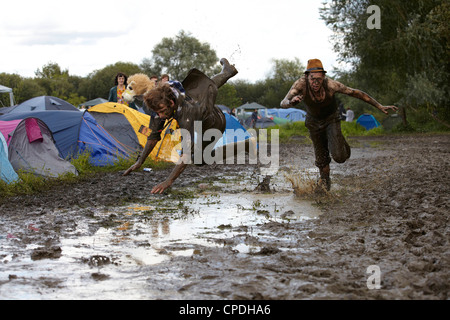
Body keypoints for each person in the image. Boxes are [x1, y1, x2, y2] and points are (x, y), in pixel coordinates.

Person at [123, 58, 238, 194]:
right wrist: (140, 161)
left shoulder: (186, 113)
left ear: (171, 103)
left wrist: (168, 181)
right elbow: (153, 136)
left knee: (200, 160)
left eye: (162, 112)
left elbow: (186, 155)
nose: (160, 116)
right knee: (199, 89)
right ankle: (228, 71)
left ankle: (242, 147)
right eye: (157, 112)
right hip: (197, 113)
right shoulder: (161, 102)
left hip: (214, 123)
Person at [280, 58, 397, 191]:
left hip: (331, 119)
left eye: (319, 79)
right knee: (321, 158)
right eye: (313, 79)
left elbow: (356, 93)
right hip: (313, 122)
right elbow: (283, 102)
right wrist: (291, 103)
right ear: (307, 77)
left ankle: (341, 143)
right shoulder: (300, 85)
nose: (316, 82)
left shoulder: (331, 85)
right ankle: (325, 184)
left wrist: (379, 106)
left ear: (323, 76)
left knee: (340, 157)